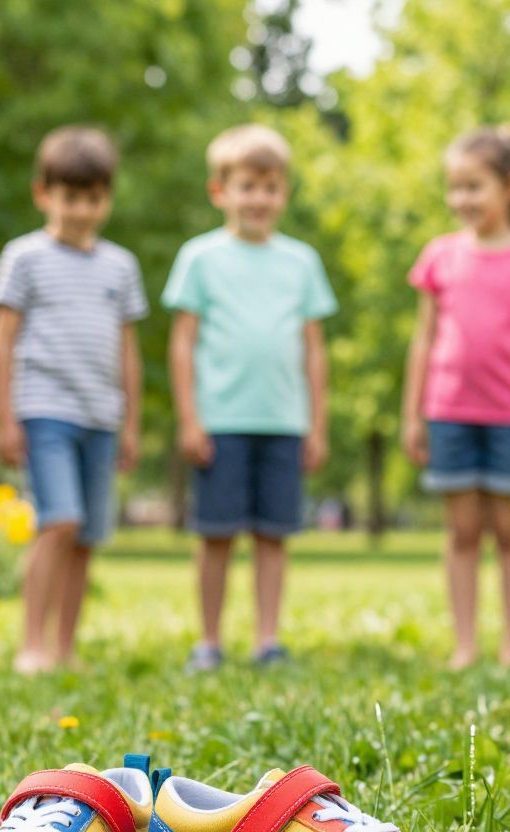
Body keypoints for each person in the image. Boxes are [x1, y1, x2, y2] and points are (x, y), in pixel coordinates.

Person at [163, 124, 337, 671]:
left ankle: (267, 640)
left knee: (273, 536)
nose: (259, 199)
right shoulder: (199, 258)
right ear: (220, 191)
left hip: (283, 421)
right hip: (221, 421)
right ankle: (209, 640)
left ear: (284, 193)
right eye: (247, 186)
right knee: (216, 535)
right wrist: (189, 418)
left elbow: (314, 350)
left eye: (270, 187)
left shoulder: (301, 262)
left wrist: (317, 424)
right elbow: (183, 343)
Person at [401, 128, 510, 669]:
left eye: (473, 186)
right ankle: (465, 644)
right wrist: (412, 415)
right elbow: (423, 340)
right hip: (449, 412)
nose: (462, 199)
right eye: (454, 187)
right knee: (462, 534)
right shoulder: (440, 256)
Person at [0, 126, 147, 674]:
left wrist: (131, 423)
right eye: (71, 197)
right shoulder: (24, 258)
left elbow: (128, 350)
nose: (82, 210)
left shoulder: (121, 266)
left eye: (94, 198)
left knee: (85, 537)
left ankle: (64, 646)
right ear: (44, 194)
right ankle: (31, 644)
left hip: (101, 416)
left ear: (108, 199)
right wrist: (4, 418)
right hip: (44, 410)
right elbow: (1, 342)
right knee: (58, 522)